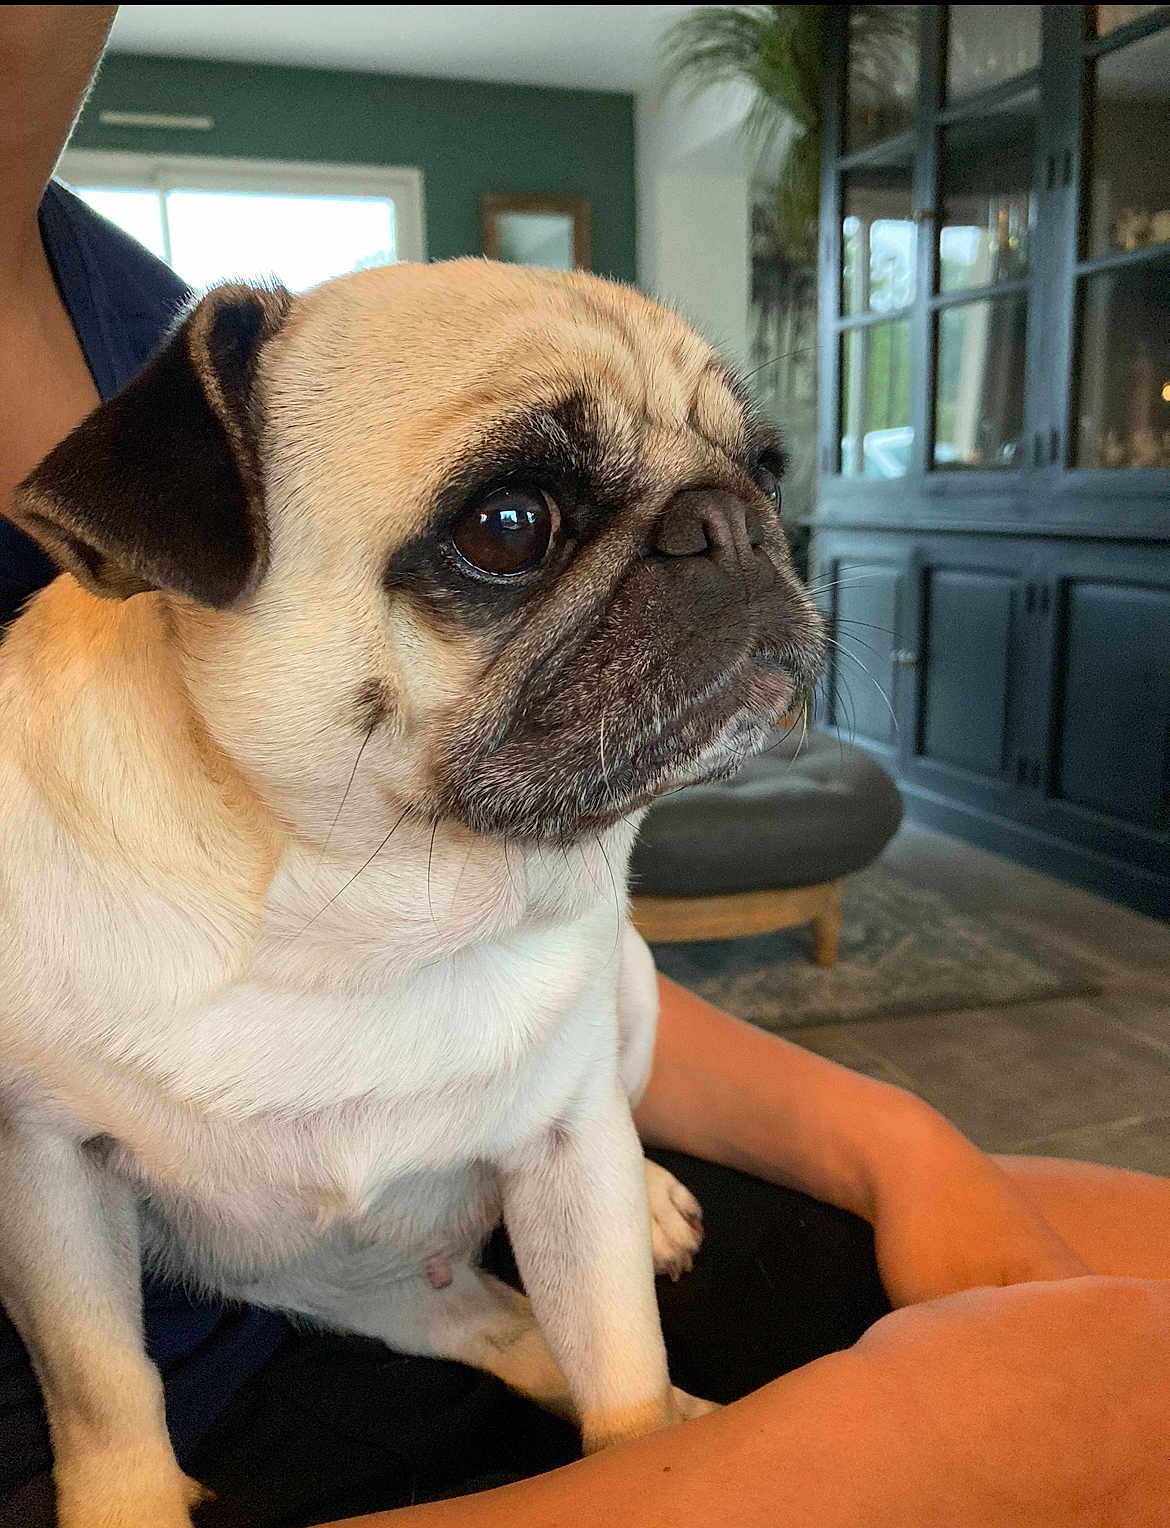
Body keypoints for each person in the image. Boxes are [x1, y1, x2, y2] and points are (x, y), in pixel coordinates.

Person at [2, 9, 1169, 1527]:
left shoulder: (174, 322)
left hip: (476, 1188)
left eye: (739, 483)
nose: (713, 556)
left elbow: (548, 985)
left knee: (1133, 1274)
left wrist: (894, 1136)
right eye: (511, 530)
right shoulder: (227, 406)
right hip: (123, 1396)